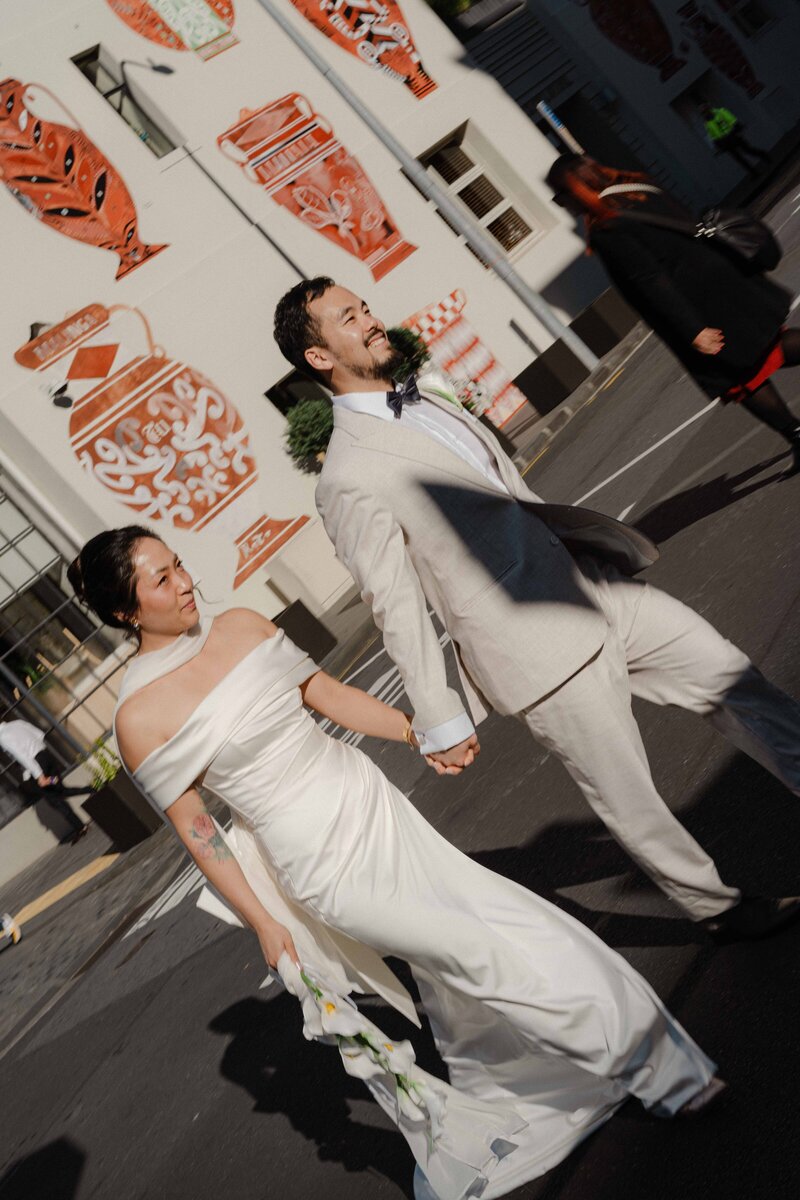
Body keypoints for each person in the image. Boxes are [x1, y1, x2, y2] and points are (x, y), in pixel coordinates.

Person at [70, 526, 723, 1200]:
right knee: (475, 952)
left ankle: (606, 1066)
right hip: (320, 863)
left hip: (374, 808)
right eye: (162, 579)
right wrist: (266, 924)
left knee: (504, 923)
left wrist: (418, 732)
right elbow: (197, 830)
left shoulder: (240, 624)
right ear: (125, 612)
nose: (185, 584)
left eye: (179, 565)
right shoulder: (139, 717)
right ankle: (658, 1073)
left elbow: (324, 694)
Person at [273, 276, 800, 944]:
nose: (372, 321)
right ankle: (720, 908)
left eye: (366, 307)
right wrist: (435, 714)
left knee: (734, 679)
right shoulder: (348, 476)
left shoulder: (429, 397)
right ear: (319, 357)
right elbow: (393, 600)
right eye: (348, 318)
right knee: (629, 794)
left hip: (592, 588)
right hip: (532, 650)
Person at [545, 153, 800, 475]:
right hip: (725, 281)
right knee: (769, 347)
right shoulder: (637, 188)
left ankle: (796, 434)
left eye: (560, 196)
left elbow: (650, 281)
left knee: (738, 379)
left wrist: (693, 330)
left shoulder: (608, 225)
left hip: (699, 303)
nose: (561, 204)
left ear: (574, 191)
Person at [0, 716, 87, 843]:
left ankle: (81, 823)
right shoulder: (17, 723)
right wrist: (37, 750)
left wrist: (39, 775)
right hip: (45, 756)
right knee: (58, 789)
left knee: (53, 798)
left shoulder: (2, 737)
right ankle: (90, 792)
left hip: (37, 765)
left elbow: (22, 756)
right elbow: (39, 734)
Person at [700, 103, 769, 176]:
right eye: (703, 113)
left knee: (748, 150)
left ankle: (764, 155)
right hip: (725, 142)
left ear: (709, 109)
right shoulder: (707, 123)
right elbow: (713, 136)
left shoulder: (720, 112)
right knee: (739, 159)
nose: (705, 114)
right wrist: (718, 145)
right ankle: (754, 173)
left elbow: (732, 120)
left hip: (733, 135)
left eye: (705, 111)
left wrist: (737, 129)